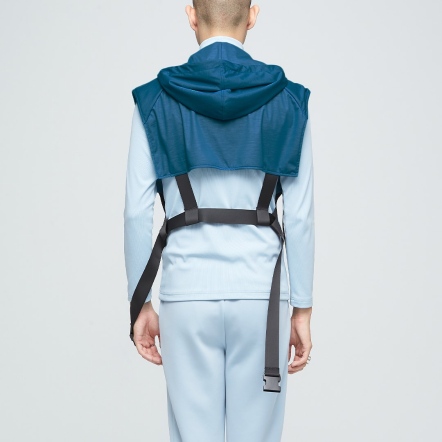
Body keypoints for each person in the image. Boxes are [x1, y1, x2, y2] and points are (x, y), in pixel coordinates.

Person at [123, 1, 314, 440]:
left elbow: (136, 212)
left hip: (187, 294)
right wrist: (302, 308)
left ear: (192, 15)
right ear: (253, 15)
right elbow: (300, 216)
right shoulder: (290, 101)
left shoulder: (154, 100)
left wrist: (141, 303)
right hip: (261, 297)